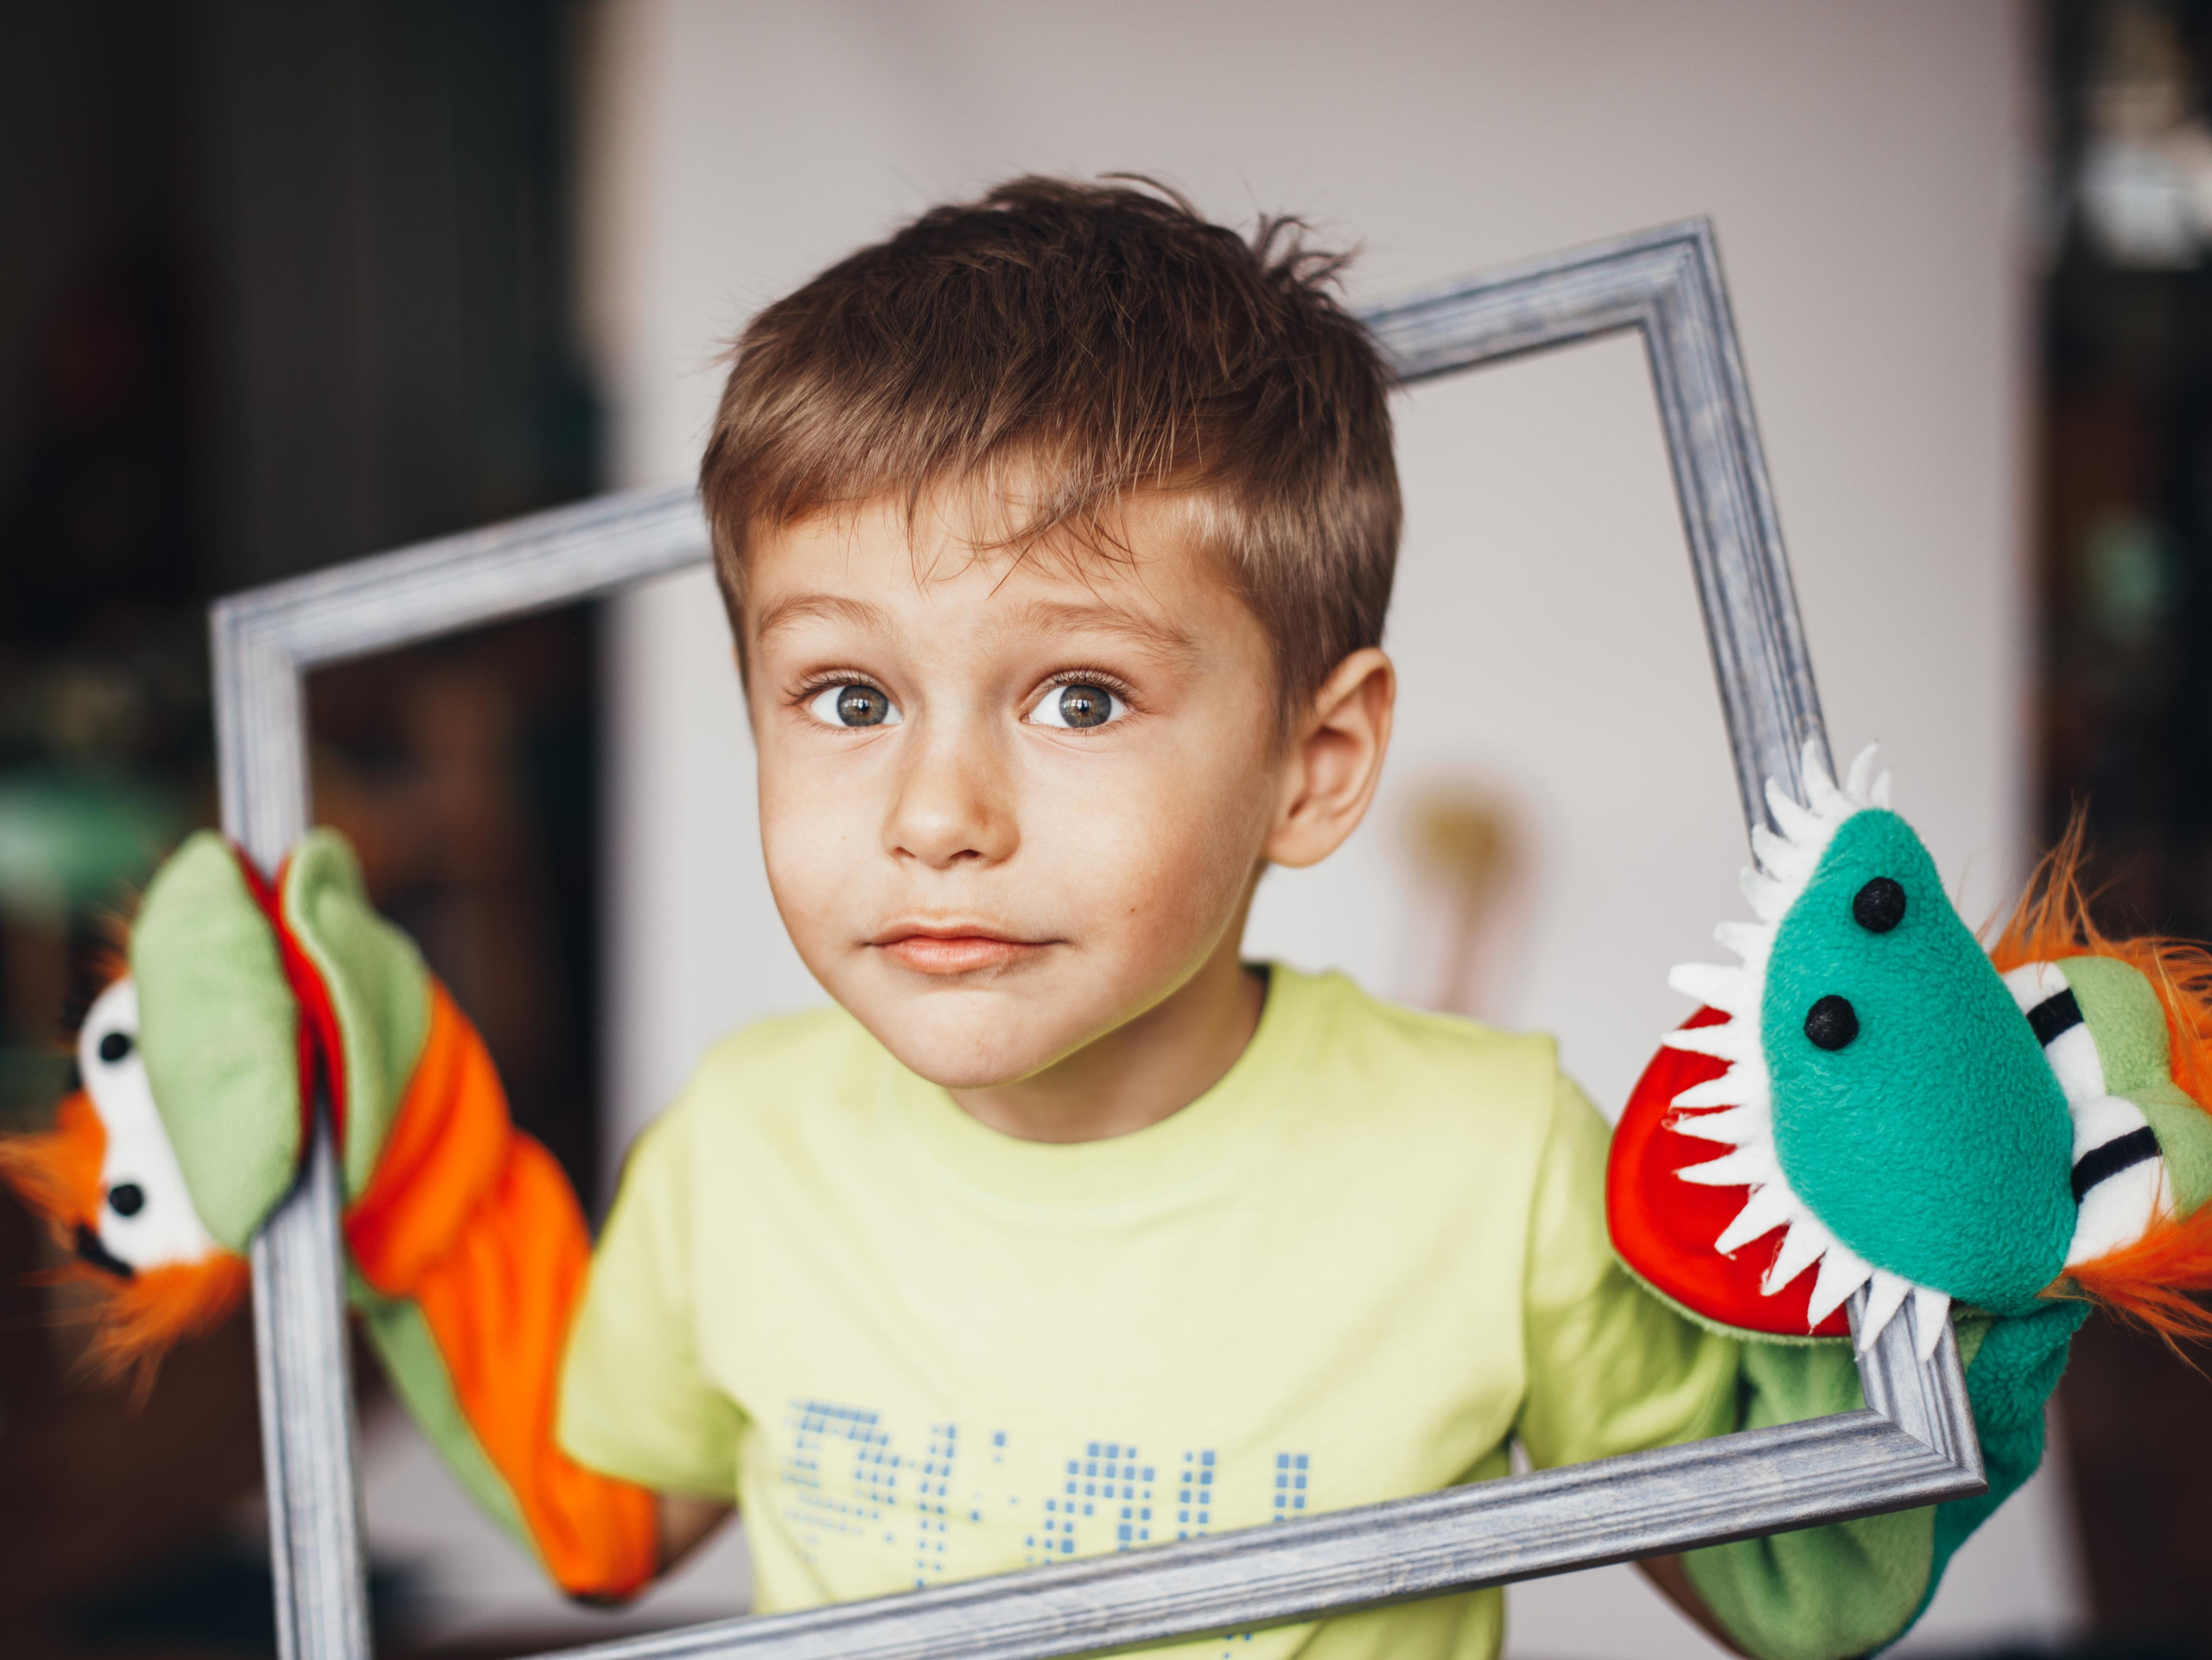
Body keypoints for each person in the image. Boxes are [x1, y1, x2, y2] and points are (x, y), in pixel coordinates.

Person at [7, 177, 2115, 1660]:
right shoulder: (737, 1143)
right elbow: (598, 1515)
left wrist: (1971, 1259)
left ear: (1314, 758)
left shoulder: (1493, 1158)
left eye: (1078, 693)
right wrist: (380, 1125)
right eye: (845, 695)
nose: (936, 810)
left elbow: (1793, 1587)